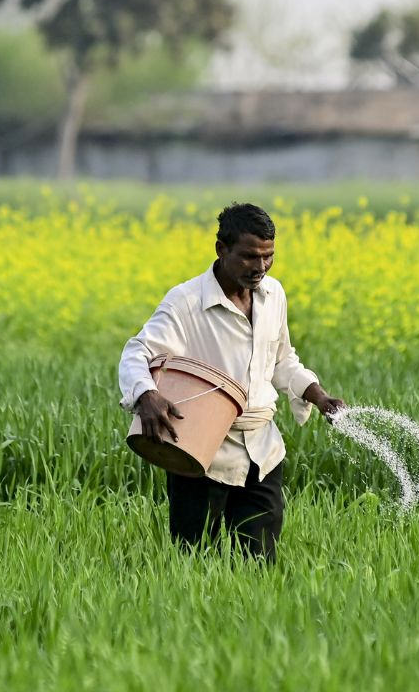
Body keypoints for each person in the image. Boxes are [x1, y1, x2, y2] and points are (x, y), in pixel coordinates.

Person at [118, 202, 344, 563]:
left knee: (258, 565)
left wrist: (318, 396)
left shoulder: (274, 296)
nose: (260, 267)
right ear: (221, 249)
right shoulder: (186, 302)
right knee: (194, 562)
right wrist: (146, 395)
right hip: (199, 452)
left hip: (262, 453)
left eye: (268, 257)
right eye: (249, 257)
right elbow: (136, 352)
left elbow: (283, 360)